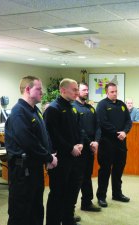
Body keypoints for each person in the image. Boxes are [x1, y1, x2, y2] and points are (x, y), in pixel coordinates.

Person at [5, 76, 58, 225]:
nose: (42, 92)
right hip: (22, 172)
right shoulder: (19, 113)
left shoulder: (34, 110)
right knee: (21, 212)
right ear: (28, 90)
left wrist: (48, 154)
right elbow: (29, 143)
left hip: (34, 169)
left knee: (36, 209)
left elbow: (43, 136)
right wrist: (48, 157)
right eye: (39, 89)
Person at [44, 78, 84, 225]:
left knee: (72, 191)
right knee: (58, 194)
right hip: (60, 159)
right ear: (62, 90)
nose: (77, 92)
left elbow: (78, 129)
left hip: (74, 157)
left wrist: (80, 143)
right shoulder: (53, 109)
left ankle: (67, 218)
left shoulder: (71, 107)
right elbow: (52, 136)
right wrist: (70, 148)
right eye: (74, 89)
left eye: (77, 89)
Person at [96, 82, 132, 207]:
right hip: (107, 143)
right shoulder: (102, 105)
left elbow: (128, 121)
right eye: (112, 92)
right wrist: (118, 133)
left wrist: (125, 132)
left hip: (121, 143)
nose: (115, 93)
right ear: (107, 92)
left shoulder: (122, 104)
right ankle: (101, 196)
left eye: (116, 91)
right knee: (105, 170)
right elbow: (103, 123)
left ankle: (117, 194)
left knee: (118, 169)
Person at [72, 82, 101, 212]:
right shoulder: (73, 108)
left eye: (87, 90)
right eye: (84, 90)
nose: (86, 92)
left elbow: (98, 126)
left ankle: (87, 203)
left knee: (87, 176)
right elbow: (79, 130)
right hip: (80, 148)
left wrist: (96, 141)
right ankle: (70, 210)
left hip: (91, 147)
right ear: (77, 91)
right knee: (77, 179)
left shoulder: (91, 108)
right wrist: (90, 143)